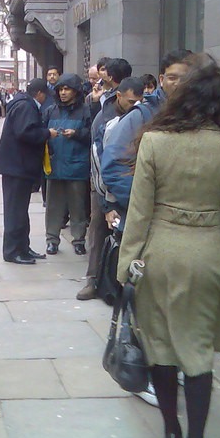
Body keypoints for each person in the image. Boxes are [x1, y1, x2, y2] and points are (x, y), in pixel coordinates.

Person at [117, 57, 220, 438]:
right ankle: (197, 436)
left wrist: (127, 265)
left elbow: (139, 210)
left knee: (161, 346)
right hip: (207, 254)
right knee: (198, 349)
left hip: (158, 255)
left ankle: (171, 429)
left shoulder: (154, 140)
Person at [78, 76, 147, 300]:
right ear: (119, 96)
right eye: (130, 102)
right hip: (102, 185)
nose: (135, 107)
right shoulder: (104, 119)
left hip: (130, 186)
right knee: (99, 230)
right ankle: (92, 280)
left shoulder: (141, 117)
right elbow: (98, 163)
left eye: (140, 102)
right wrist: (107, 205)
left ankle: (120, 282)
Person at [0, 78, 57, 264]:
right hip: (17, 167)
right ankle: (13, 251)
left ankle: (23, 247)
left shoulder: (23, 103)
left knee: (20, 210)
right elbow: (24, 132)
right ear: (39, 93)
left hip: (19, 166)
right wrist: (47, 133)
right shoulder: (26, 106)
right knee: (15, 211)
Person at [41, 73, 92, 255]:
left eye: (67, 89)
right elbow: (41, 132)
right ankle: (52, 240)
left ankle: (78, 240)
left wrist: (77, 133)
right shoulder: (51, 110)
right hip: (54, 165)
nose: (63, 92)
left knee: (78, 206)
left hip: (77, 165)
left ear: (75, 91)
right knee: (53, 206)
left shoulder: (86, 111)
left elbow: (93, 136)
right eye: (60, 89)